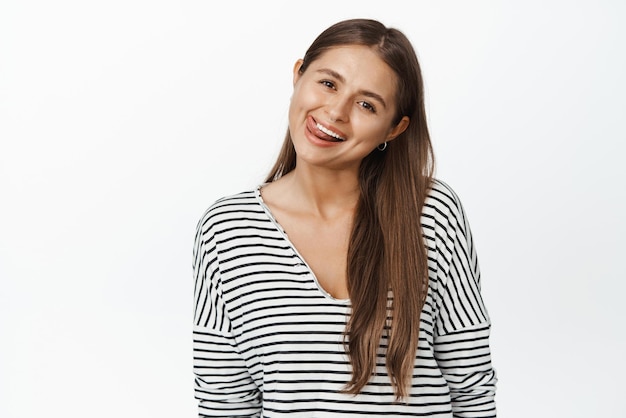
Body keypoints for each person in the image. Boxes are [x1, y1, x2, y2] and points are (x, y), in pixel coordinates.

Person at [192, 18, 497, 417]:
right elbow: (224, 402)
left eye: (367, 104)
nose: (336, 111)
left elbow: (472, 384)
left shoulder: (432, 212)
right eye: (328, 83)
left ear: (394, 129)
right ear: (298, 74)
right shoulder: (227, 229)